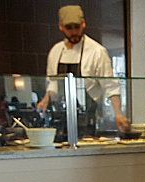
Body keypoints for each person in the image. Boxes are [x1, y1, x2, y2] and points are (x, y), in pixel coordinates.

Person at [37, 5, 130, 134]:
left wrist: (118, 113)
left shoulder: (97, 51)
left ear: (83, 24)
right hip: (60, 119)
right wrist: (46, 98)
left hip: (89, 118)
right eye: (69, 28)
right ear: (61, 27)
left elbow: (110, 86)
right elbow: (52, 83)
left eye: (77, 27)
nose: (74, 32)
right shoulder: (55, 51)